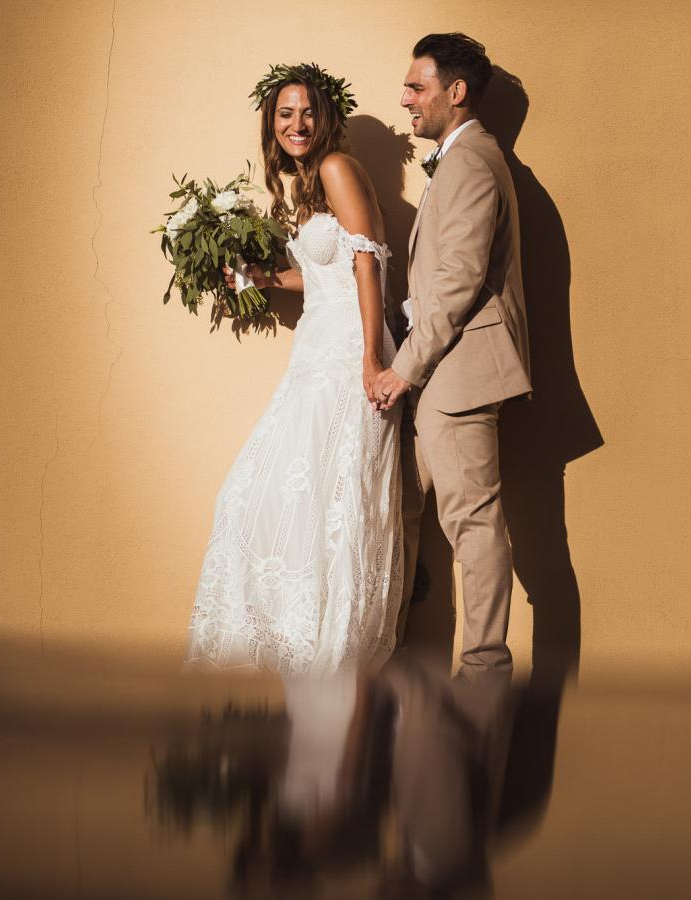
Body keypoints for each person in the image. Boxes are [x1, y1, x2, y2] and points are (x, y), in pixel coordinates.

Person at [184, 63, 403, 676]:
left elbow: (367, 263)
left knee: (325, 501)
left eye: (307, 112)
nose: (297, 124)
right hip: (317, 347)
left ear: (326, 117)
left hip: (345, 353)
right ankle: (301, 650)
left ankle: (328, 653)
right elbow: (326, 277)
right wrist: (260, 278)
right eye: (285, 114)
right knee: (287, 500)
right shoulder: (306, 184)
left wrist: (368, 357)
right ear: (271, 122)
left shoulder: (335, 167)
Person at [371, 33, 531, 681]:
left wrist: (401, 371)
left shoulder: (470, 162)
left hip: (460, 377)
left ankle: (484, 671)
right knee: (401, 509)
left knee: (473, 524)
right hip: (439, 375)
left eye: (417, 86)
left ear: (455, 93)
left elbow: (459, 280)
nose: (405, 98)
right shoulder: (457, 159)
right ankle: (388, 650)